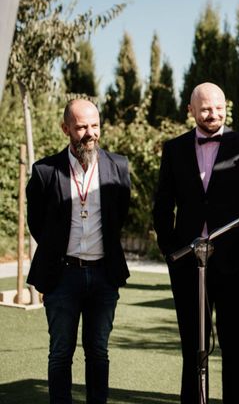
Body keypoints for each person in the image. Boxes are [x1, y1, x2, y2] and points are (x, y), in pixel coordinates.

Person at [153, 82, 239, 403]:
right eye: (205, 109)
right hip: (187, 262)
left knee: (235, 346)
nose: (213, 114)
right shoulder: (174, 149)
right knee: (192, 346)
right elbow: (163, 204)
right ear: (191, 111)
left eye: (218, 108)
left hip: (234, 262)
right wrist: (170, 249)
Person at [26, 98, 131, 404]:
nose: (90, 133)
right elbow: (37, 224)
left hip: (103, 275)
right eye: (82, 126)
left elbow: (118, 216)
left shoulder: (118, 166)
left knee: (98, 352)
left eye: (95, 125)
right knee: (60, 353)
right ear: (66, 129)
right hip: (62, 276)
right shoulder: (45, 171)